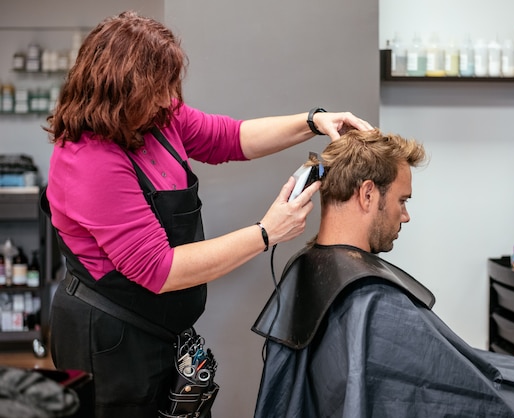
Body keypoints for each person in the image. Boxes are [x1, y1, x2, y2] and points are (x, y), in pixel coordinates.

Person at [41, 10, 373, 418]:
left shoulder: (158, 117)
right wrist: (266, 233)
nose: (168, 99)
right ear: (121, 90)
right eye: (157, 90)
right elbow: (159, 269)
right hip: (110, 341)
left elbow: (229, 138)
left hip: (160, 329)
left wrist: (314, 121)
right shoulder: (89, 160)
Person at [252, 129, 514, 417]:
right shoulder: (366, 298)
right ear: (367, 194)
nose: (406, 215)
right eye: (402, 201)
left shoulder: (306, 268)